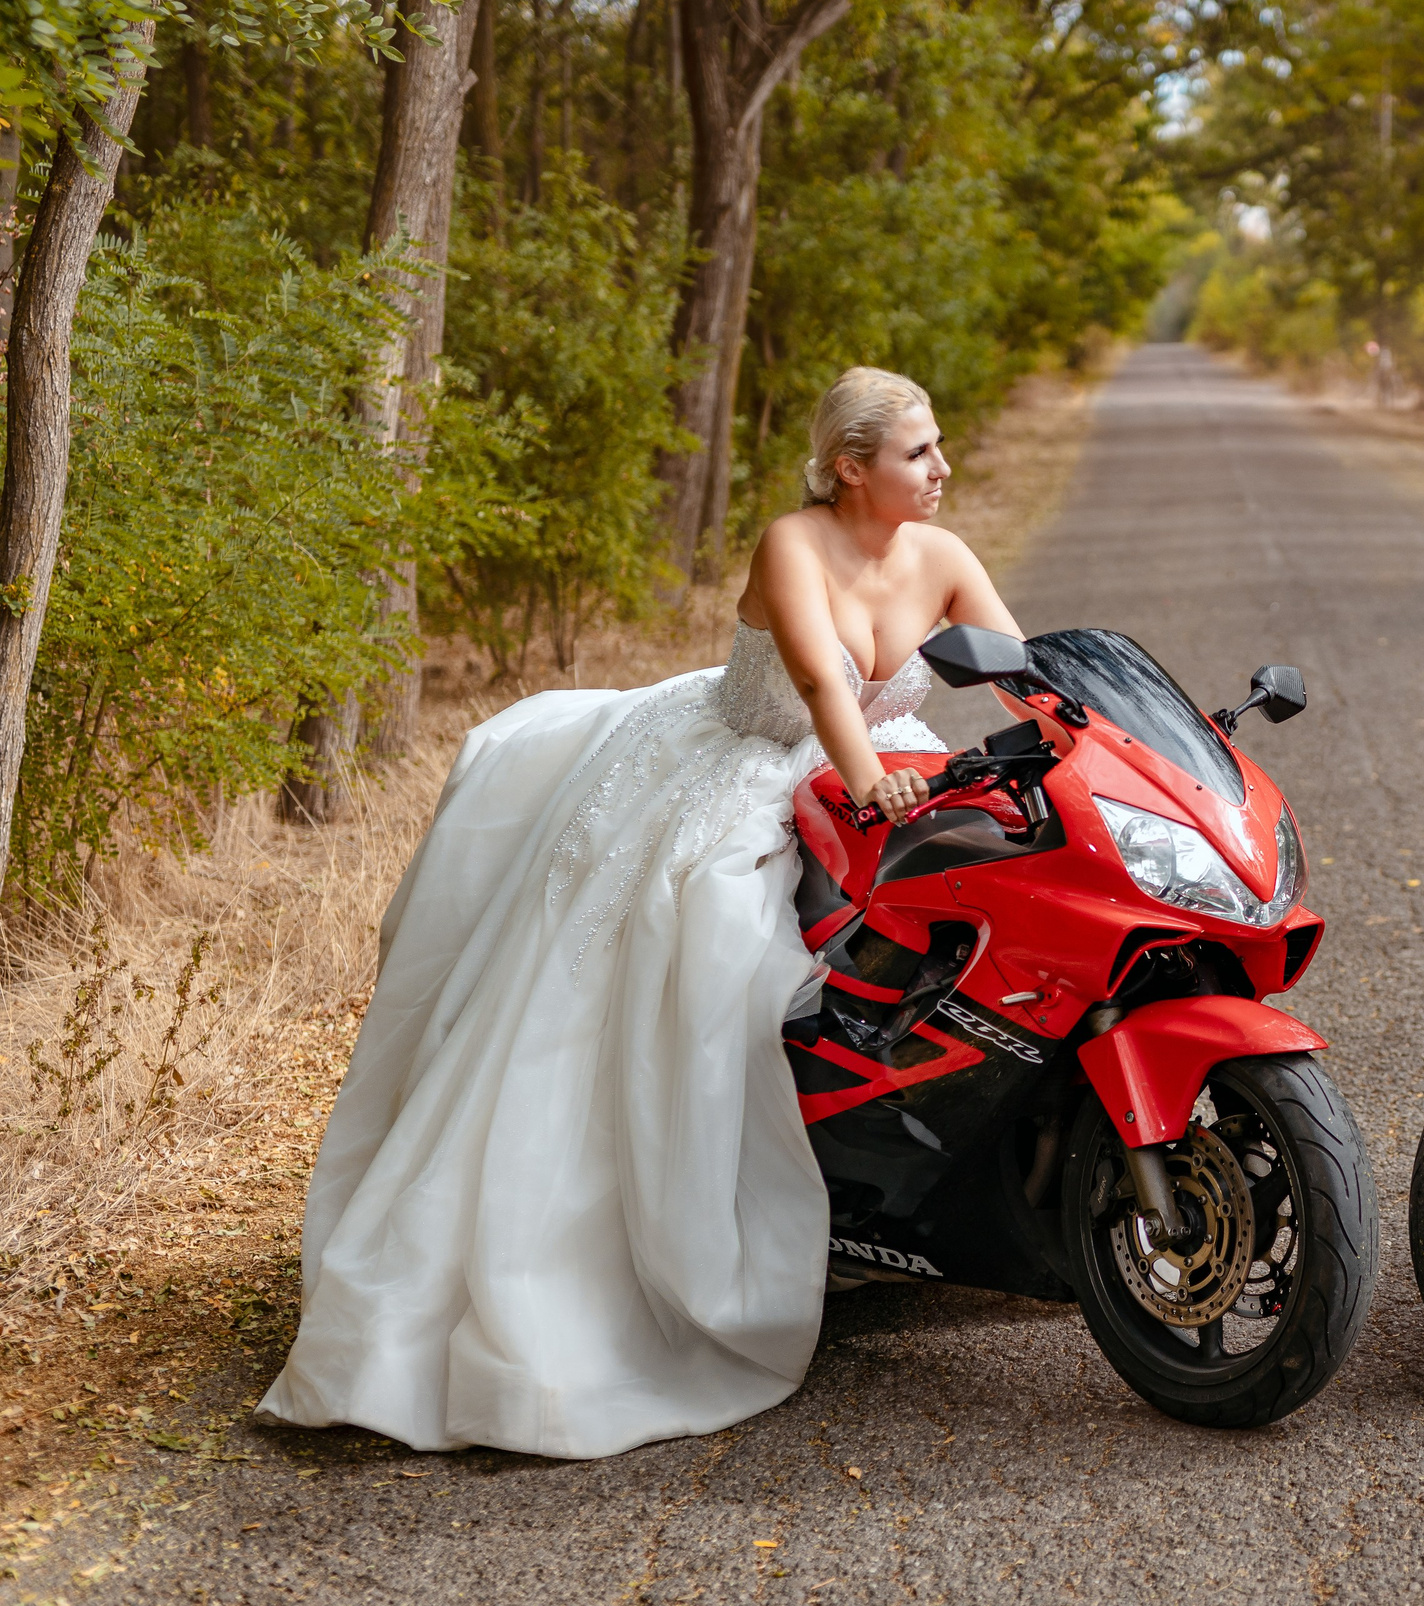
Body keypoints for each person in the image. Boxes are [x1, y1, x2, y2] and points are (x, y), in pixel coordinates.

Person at [259, 367, 1023, 1457]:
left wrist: (1090, 745)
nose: (943, 469)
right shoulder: (790, 545)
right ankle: (660, 1241)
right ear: (851, 469)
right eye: (919, 453)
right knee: (712, 946)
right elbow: (816, 688)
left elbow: (1023, 671)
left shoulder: (943, 556)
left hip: (883, 764)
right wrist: (867, 786)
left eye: (938, 447)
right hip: (753, 764)